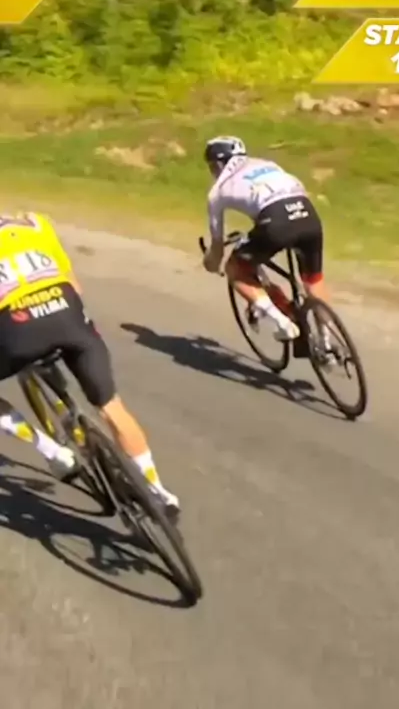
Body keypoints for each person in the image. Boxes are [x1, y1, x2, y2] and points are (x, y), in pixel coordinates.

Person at [0, 212, 179, 517]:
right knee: (112, 407)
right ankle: (160, 492)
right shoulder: (34, 222)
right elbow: (75, 286)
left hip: (18, 329)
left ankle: (52, 452)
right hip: (68, 316)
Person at [202, 136, 326, 340]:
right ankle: (327, 340)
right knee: (313, 280)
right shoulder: (267, 165)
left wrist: (211, 264)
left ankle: (283, 324)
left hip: (276, 223)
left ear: (217, 164)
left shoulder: (218, 191)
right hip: (308, 214)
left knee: (235, 268)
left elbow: (217, 249)